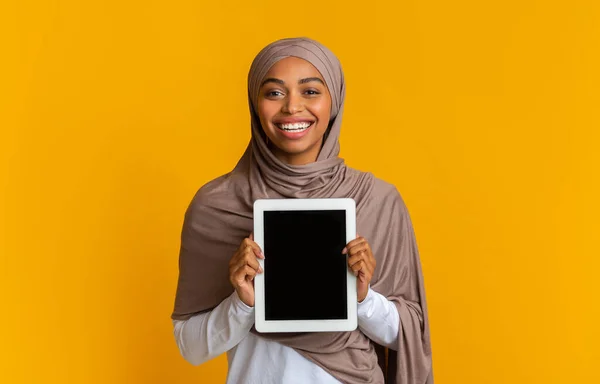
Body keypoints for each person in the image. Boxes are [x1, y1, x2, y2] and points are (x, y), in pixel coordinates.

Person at [171, 37, 433, 384]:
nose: (292, 107)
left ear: (333, 100)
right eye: (274, 93)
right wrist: (243, 303)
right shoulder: (216, 205)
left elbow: (410, 337)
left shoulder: (377, 201)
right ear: (255, 103)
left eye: (310, 91)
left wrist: (362, 298)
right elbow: (190, 348)